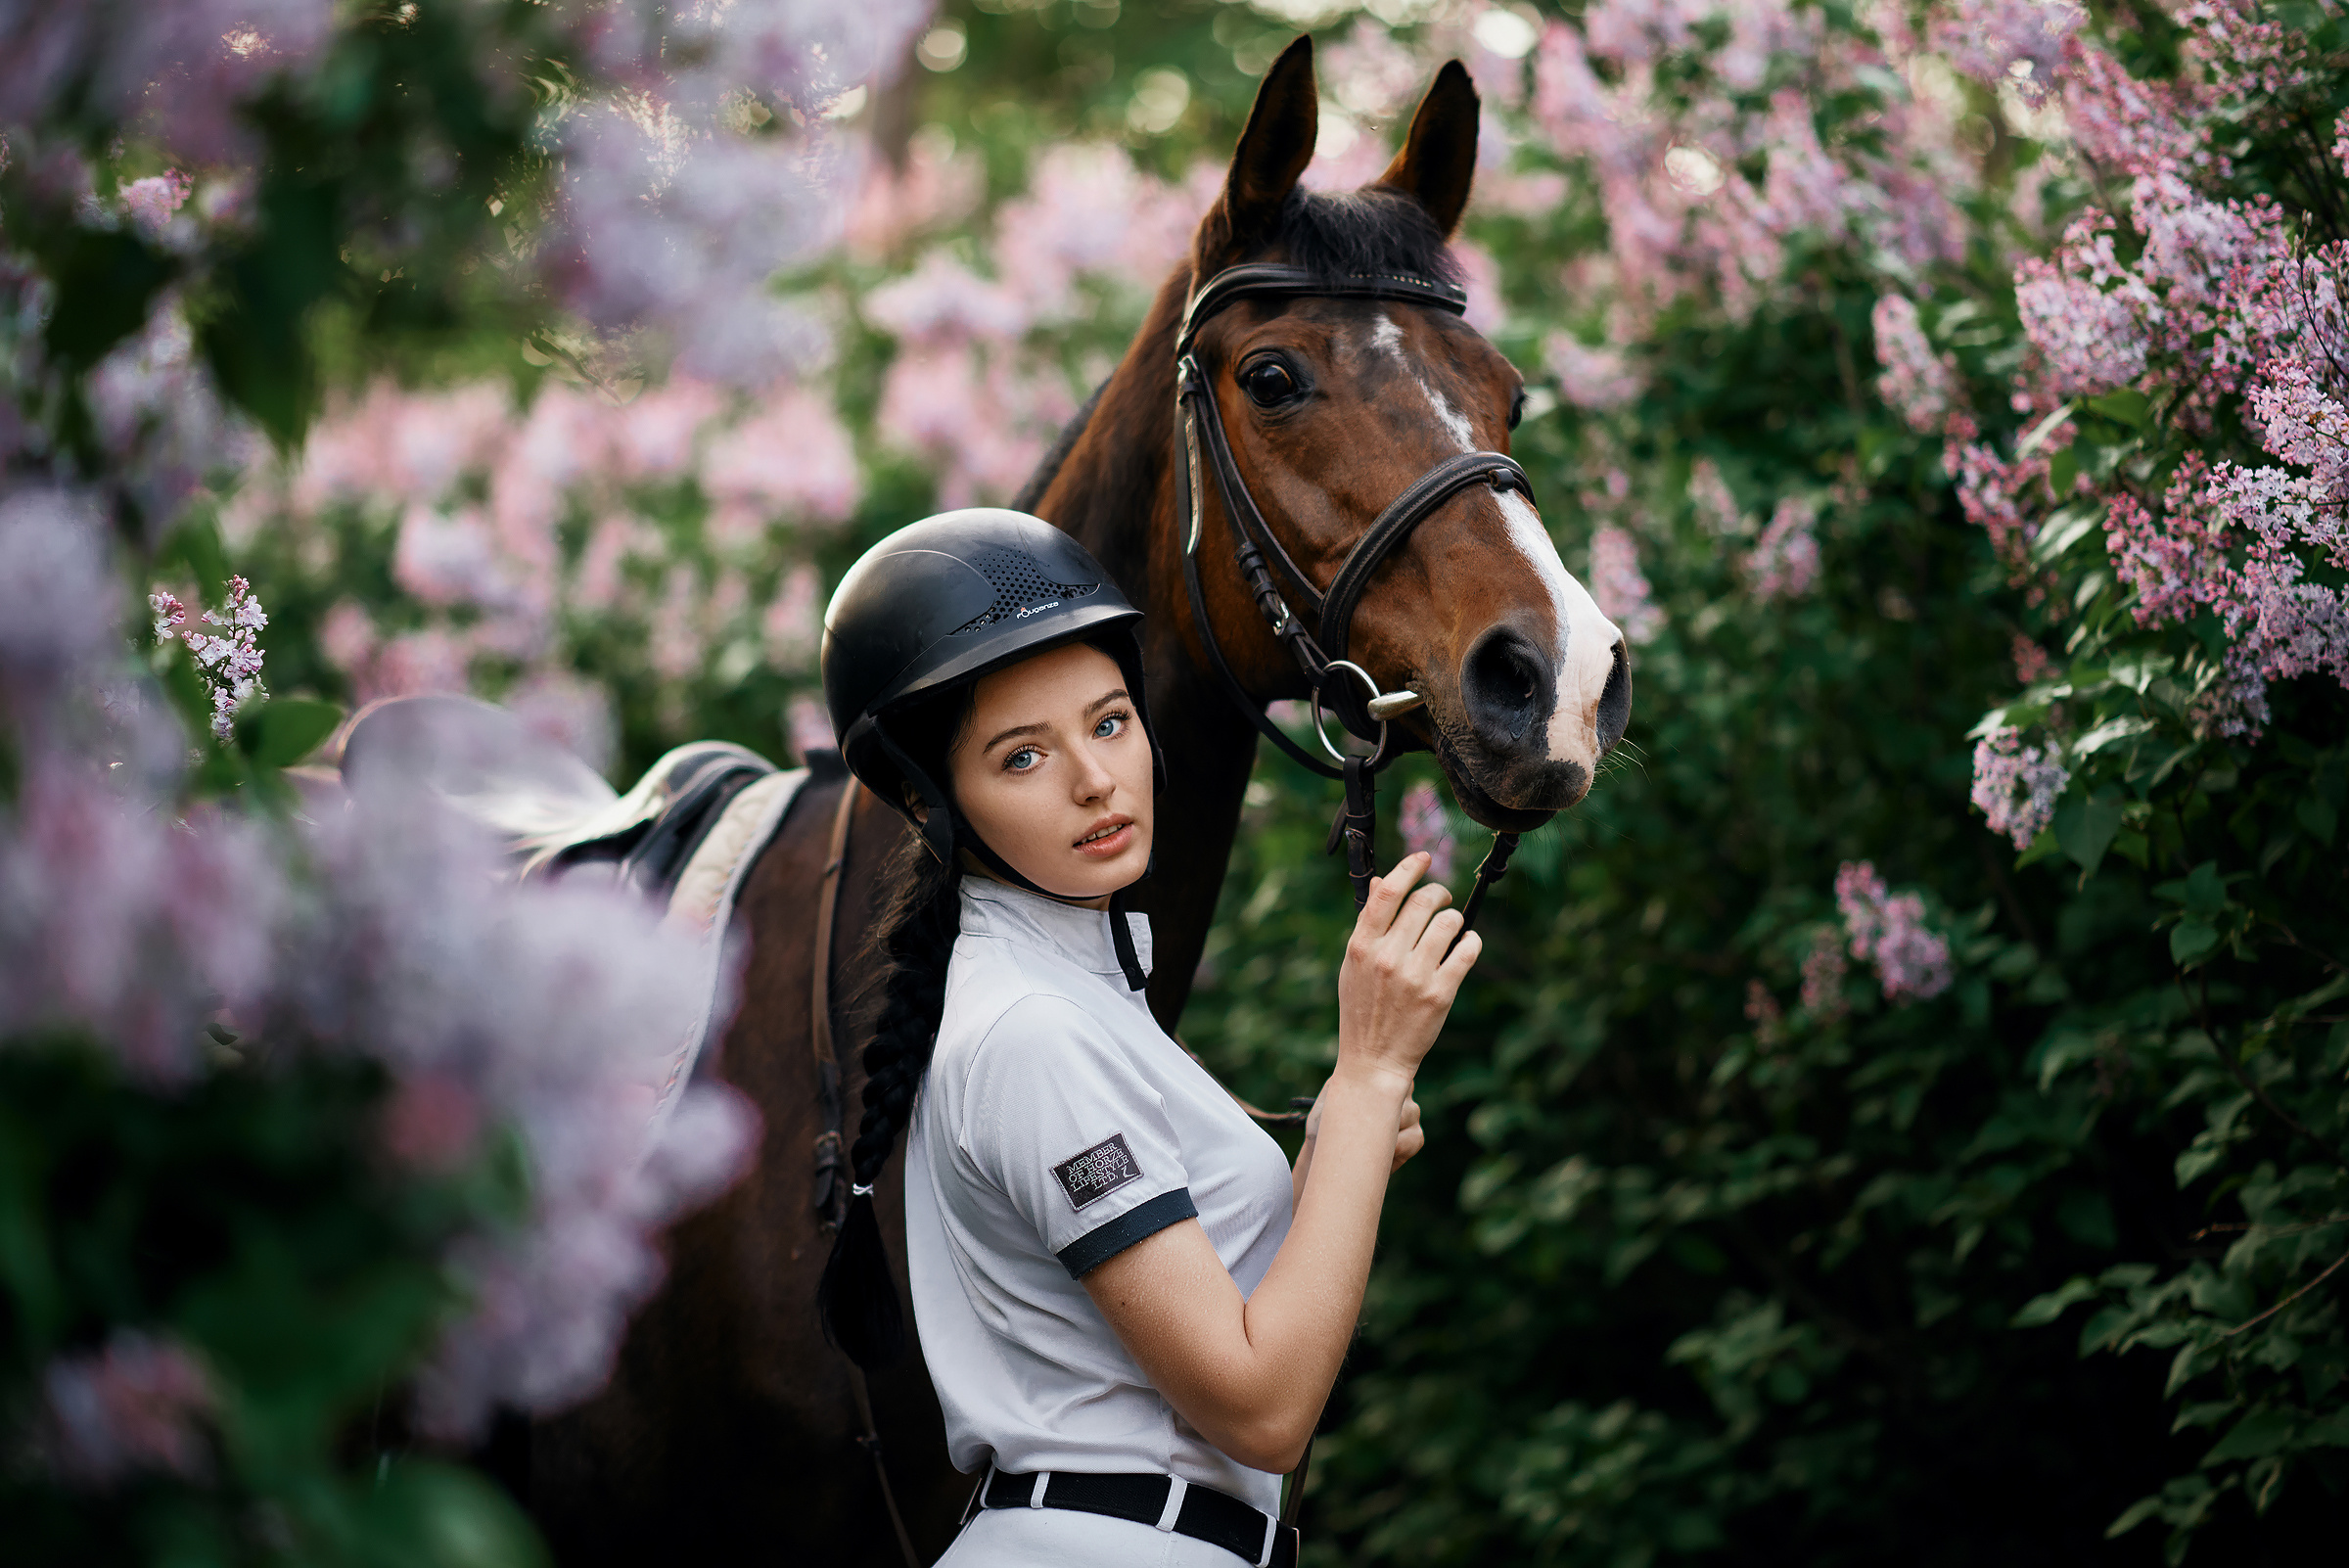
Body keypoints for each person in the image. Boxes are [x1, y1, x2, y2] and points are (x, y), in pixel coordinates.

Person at [817, 509, 1480, 1567]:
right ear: (933, 798)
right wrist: (1366, 1076)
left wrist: (1335, 1152)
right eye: (1023, 754)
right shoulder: (1035, 1030)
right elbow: (1260, 1409)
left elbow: (1227, 1316)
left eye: (1111, 721)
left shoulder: (1072, 993)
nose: (1094, 778)